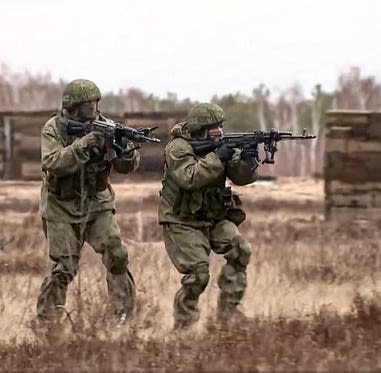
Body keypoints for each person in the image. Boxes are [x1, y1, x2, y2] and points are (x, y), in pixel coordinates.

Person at [36, 79, 138, 325]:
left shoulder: (107, 126)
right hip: (61, 204)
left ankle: (122, 313)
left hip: (96, 202)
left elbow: (126, 168)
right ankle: (47, 322)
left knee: (116, 254)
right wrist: (86, 143)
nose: (92, 107)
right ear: (73, 106)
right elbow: (53, 163)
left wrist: (124, 150)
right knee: (65, 267)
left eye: (95, 102)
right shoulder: (55, 128)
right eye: (87, 103)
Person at [158, 103, 258, 329]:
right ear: (200, 129)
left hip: (214, 217)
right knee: (198, 273)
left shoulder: (219, 147)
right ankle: (185, 327)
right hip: (182, 220)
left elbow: (241, 177)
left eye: (221, 126)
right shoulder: (177, 148)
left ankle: (228, 313)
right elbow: (189, 177)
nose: (219, 131)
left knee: (241, 250)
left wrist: (248, 162)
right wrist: (217, 156)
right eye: (214, 127)